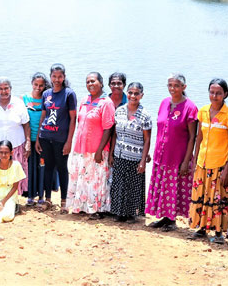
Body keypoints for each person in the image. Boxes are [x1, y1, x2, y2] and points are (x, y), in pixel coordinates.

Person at [189, 78, 228, 243]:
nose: (214, 96)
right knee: (202, 195)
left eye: (218, 93)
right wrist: (195, 158)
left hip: (219, 163)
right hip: (202, 162)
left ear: (225, 94)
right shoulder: (202, 112)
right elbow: (199, 137)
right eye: (212, 92)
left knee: (218, 198)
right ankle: (202, 229)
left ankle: (218, 233)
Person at [147, 73, 198, 231]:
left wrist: (186, 161)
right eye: (170, 85)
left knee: (174, 188)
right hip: (161, 155)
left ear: (184, 87)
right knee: (162, 187)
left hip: (177, 157)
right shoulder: (163, 103)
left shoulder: (190, 107)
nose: (172, 88)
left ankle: (172, 220)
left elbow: (192, 137)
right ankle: (164, 217)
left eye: (176, 85)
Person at [66, 72, 116, 219]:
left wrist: (100, 150)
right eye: (87, 82)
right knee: (82, 177)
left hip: (96, 149)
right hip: (81, 148)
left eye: (93, 81)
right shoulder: (84, 100)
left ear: (101, 83)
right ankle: (82, 206)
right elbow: (79, 122)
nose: (90, 84)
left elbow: (108, 128)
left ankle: (97, 209)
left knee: (96, 180)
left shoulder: (106, 103)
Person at [109, 82, 152, 223]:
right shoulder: (119, 111)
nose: (133, 96)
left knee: (133, 186)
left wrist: (143, 161)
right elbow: (114, 134)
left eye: (136, 93)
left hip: (135, 156)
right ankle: (119, 213)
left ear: (142, 95)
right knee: (119, 184)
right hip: (119, 154)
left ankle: (131, 214)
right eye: (130, 93)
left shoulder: (144, 115)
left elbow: (147, 139)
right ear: (127, 93)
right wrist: (111, 154)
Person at [36, 63, 76, 213]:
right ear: (50, 77)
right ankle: (47, 200)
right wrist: (39, 138)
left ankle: (64, 201)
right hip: (46, 137)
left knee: (62, 169)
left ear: (64, 77)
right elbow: (43, 115)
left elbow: (73, 118)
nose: (57, 79)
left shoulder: (69, 94)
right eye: (54, 76)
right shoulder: (46, 94)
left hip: (61, 139)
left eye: (60, 76)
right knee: (47, 168)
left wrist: (69, 141)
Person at [0, 77, 31, 198]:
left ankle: (15, 199)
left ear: (10, 89)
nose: (4, 91)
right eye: (1, 89)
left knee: (15, 173)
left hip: (16, 144)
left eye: (6, 88)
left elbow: (26, 123)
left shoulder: (18, 103)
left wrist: (28, 143)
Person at [0, 141, 27, 223]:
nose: (3, 155)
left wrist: (4, 201)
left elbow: (15, 187)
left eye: (6, 153)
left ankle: (14, 206)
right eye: (1, 152)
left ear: (11, 153)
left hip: (10, 196)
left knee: (7, 216)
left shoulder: (16, 165)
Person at [23, 73, 49, 207]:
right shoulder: (25, 98)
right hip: (28, 139)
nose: (38, 88)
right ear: (32, 84)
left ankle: (41, 196)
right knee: (30, 168)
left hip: (42, 140)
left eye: (41, 85)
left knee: (42, 167)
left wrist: (39, 138)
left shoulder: (46, 99)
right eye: (36, 85)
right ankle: (30, 196)